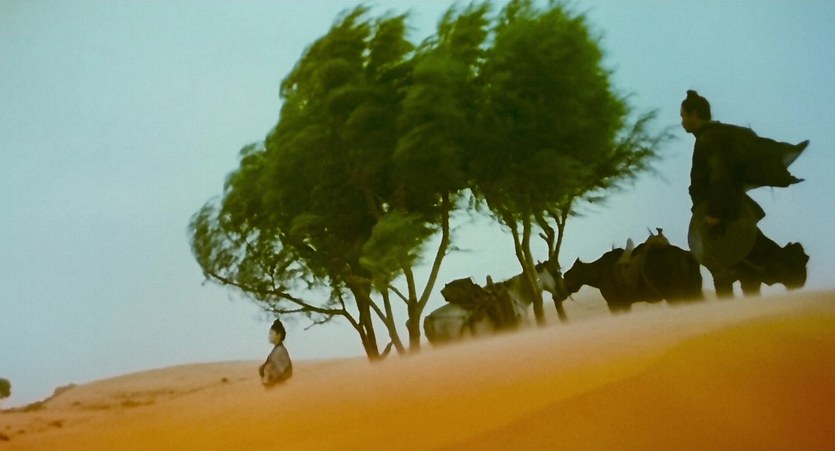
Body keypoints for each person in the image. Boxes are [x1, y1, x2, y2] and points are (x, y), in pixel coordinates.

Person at [681, 90, 808, 294]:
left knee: (735, 272)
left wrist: (715, 214)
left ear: (694, 114)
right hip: (724, 214)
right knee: (744, 270)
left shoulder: (710, 139)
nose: (682, 121)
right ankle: (788, 270)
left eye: (683, 116)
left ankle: (791, 269)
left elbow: (721, 175)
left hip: (724, 220)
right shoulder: (712, 136)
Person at [258, 318, 293, 387]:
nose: (269, 336)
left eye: (271, 333)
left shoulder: (280, 351)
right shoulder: (277, 350)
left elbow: (281, 371)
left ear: (278, 335)